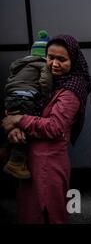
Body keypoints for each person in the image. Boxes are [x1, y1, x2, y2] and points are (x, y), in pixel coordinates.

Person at [1, 34, 91, 224]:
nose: (54, 63)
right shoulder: (47, 82)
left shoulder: (72, 89)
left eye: (62, 59)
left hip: (48, 166)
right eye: (50, 57)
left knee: (49, 216)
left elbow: (54, 127)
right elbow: (21, 100)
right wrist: (13, 127)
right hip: (28, 164)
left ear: (73, 60)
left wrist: (19, 119)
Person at [3, 30, 52, 179]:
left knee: (14, 128)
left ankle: (7, 153)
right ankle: (16, 163)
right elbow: (45, 82)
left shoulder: (20, 65)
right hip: (26, 99)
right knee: (26, 128)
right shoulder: (42, 64)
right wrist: (46, 94)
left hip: (10, 98)